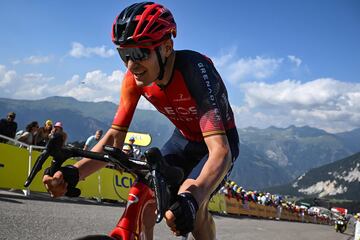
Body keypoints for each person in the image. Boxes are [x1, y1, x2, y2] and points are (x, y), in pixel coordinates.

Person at [43, 2, 239, 239]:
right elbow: (114, 139)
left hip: (217, 143)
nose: (131, 64)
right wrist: (73, 173)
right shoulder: (133, 79)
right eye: (123, 54)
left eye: (139, 53)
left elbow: (220, 151)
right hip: (183, 139)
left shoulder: (195, 71)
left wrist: (193, 198)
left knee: (190, 200)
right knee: (145, 188)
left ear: (167, 47)